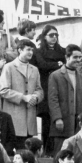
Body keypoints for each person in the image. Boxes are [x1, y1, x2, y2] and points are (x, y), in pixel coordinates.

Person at [0, 39, 43, 150]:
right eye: (28, 49)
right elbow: (3, 90)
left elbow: (39, 90)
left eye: (32, 50)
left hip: (29, 121)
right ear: (19, 50)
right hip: (14, 119)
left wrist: (36, 97)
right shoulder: (9, 67)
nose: (31, 53)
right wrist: (23, 97)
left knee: (27, 153)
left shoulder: (35, 69)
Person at [48, 44, 82, 155]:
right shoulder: (55, 76)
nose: (78, 60)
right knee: (60, 155)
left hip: (78, 124)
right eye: (75, 57)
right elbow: (53, 99)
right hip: (62, 123)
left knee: (78, 155)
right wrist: (57, 118)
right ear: (67, 58)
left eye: (79, 57)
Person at [32, 24, 65, 154]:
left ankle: (57, 151)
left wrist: (54, 66)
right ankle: (46, 151)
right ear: (44, 37)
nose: (54, 38)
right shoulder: (38, 51)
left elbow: (64, 65)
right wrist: (57, 64)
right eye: (51, 35)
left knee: (57, 119)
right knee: (46, 122)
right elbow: (42, 65)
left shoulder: (62, 51)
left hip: (59, 87)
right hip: (45, 87)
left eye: (56, 35)